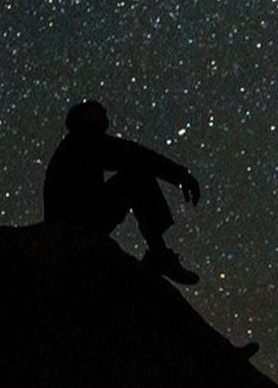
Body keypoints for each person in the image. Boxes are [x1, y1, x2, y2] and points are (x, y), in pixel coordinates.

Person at [43, 100, 202, 286]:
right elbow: (137, 156)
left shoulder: (72, 146)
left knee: (137, 173)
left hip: (70, 224)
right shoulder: (85, 141)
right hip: (77, 224)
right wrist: (181, 176)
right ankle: (159, 253)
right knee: (138, 175)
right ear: (86, 119)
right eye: (98, 113)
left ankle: (159, 253)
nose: (104, 117)